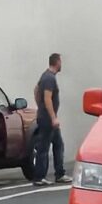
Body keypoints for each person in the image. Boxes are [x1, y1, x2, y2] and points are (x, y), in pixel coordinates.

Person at [32, 53, 73, 186]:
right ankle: (39, 177)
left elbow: (36, 90)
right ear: (57, 62)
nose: (62, 64)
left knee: (58, 144)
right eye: (61, 61)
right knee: (43, 147)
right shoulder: (49, 78)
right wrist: (53, 117)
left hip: (46, 117)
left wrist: (40, 107)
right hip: (48, 119)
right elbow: (47, 98)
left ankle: (60, 173)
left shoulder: (45, 76)